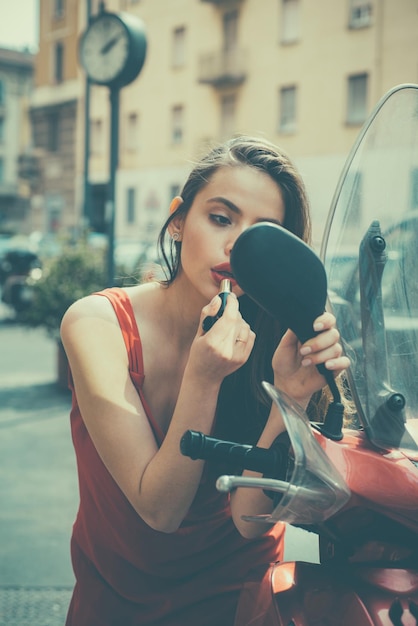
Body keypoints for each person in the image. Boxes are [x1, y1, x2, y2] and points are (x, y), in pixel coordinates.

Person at [61, 135, 350, 626]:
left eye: (264, 233)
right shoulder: (97, 324)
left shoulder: (275, 337)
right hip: (120, 598)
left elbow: (247, 520)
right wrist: (204, 377)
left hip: (241, 597)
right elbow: (160, 510)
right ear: (177, 220)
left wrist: (292, 397)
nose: (236, 245)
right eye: (221, 218)